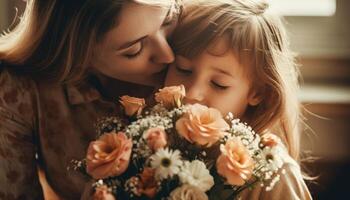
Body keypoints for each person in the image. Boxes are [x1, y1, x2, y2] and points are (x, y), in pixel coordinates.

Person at [0, 0, 181, 199]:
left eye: (168, 20)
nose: (168, 55)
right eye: (134, 50)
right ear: (79, 54)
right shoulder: (22, 90)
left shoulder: (205, 49)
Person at [164, 0, 312, 199]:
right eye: (183, 69)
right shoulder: (151, 147)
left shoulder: (273, 175)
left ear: (258, 93)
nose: (192, 93)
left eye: (219, 84)